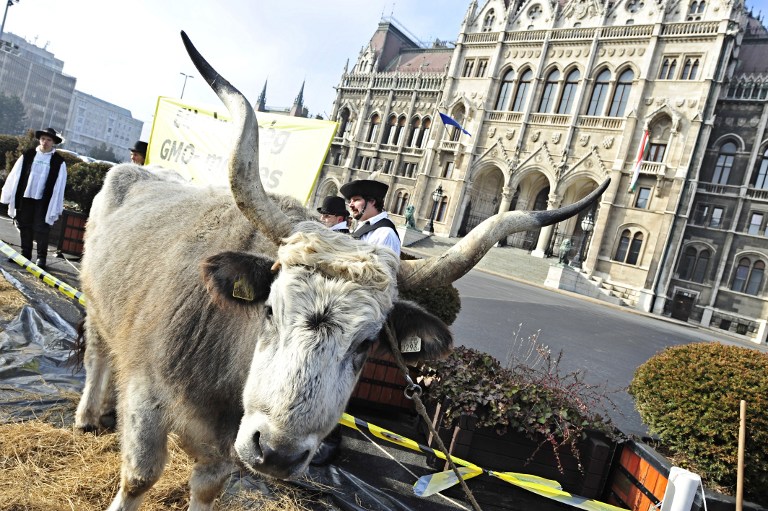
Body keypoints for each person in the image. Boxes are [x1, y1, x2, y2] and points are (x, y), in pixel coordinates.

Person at [339, 177, 401, 256]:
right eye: (350, 201)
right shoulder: (363, 225)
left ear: (372, 201)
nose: (350, 205)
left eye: (356, 200)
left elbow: (385, 267)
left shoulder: (385, 234)